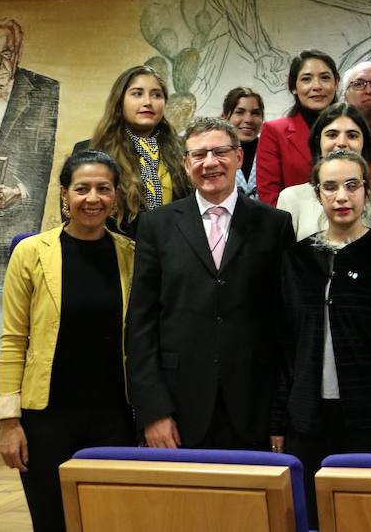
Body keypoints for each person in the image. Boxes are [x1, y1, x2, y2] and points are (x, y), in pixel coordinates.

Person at [125, 117, 295, 450]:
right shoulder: (156, 226)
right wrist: (153, 411)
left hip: (254, 408)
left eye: (220, 152)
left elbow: (285, 327)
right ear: (186, 163)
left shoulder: (274, 225)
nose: (211, 163)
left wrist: (281, 415)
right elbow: (141, 325)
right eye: (199, 154)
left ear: (239, 158)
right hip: (178, 408)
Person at [275, 150, 371, 528]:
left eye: (352, 186)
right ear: (317, 193)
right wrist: (278, 423)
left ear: (367, 192)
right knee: (312, 516)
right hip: (308, 418)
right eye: (330, 187)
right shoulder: (297, 259)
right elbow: (285, 346)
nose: (341, 196)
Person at [0, 151, 135, 532]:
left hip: (114, 417)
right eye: (82, 188)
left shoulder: (131, 256)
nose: (93, 198)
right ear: (64, 194)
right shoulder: (30, 253)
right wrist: (9, 423)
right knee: (52, 520)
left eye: (103, 189)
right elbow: (13, 340)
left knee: (108, 520)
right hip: (46, 418)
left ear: (116, 195)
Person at [0, 18, 60, 281]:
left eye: (6, 55)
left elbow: (43, 162)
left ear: (18, 54)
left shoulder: (44, 91)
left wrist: (19, 192)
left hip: (17, 230)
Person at [78, 65, 191, 237]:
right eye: (137, 93)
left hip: (170, 256)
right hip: (109, 256)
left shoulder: (183, 150)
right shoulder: (90, 152)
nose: (148, 102)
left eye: (156, 95)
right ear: (120, 100)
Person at [276, 103, 371, 241]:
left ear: (365, 143)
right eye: (332, 135)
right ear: (318, 142)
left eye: (352, 135)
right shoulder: (291, 198)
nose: (341, 143)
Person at [257, 49, 341, 206]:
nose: (317, 86)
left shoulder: (354, 129)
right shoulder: (274, 132)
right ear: (293, 87)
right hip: (294, 227)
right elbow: (269, 197)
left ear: (336, 83)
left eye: (325, 78)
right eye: (306, 79)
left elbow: (369, 187)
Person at [221, 87, 265, 200]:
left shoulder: (271, 152)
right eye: (239, 112)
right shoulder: (215, 154)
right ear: (224, 117)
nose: (248, 120)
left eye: (255, 113)